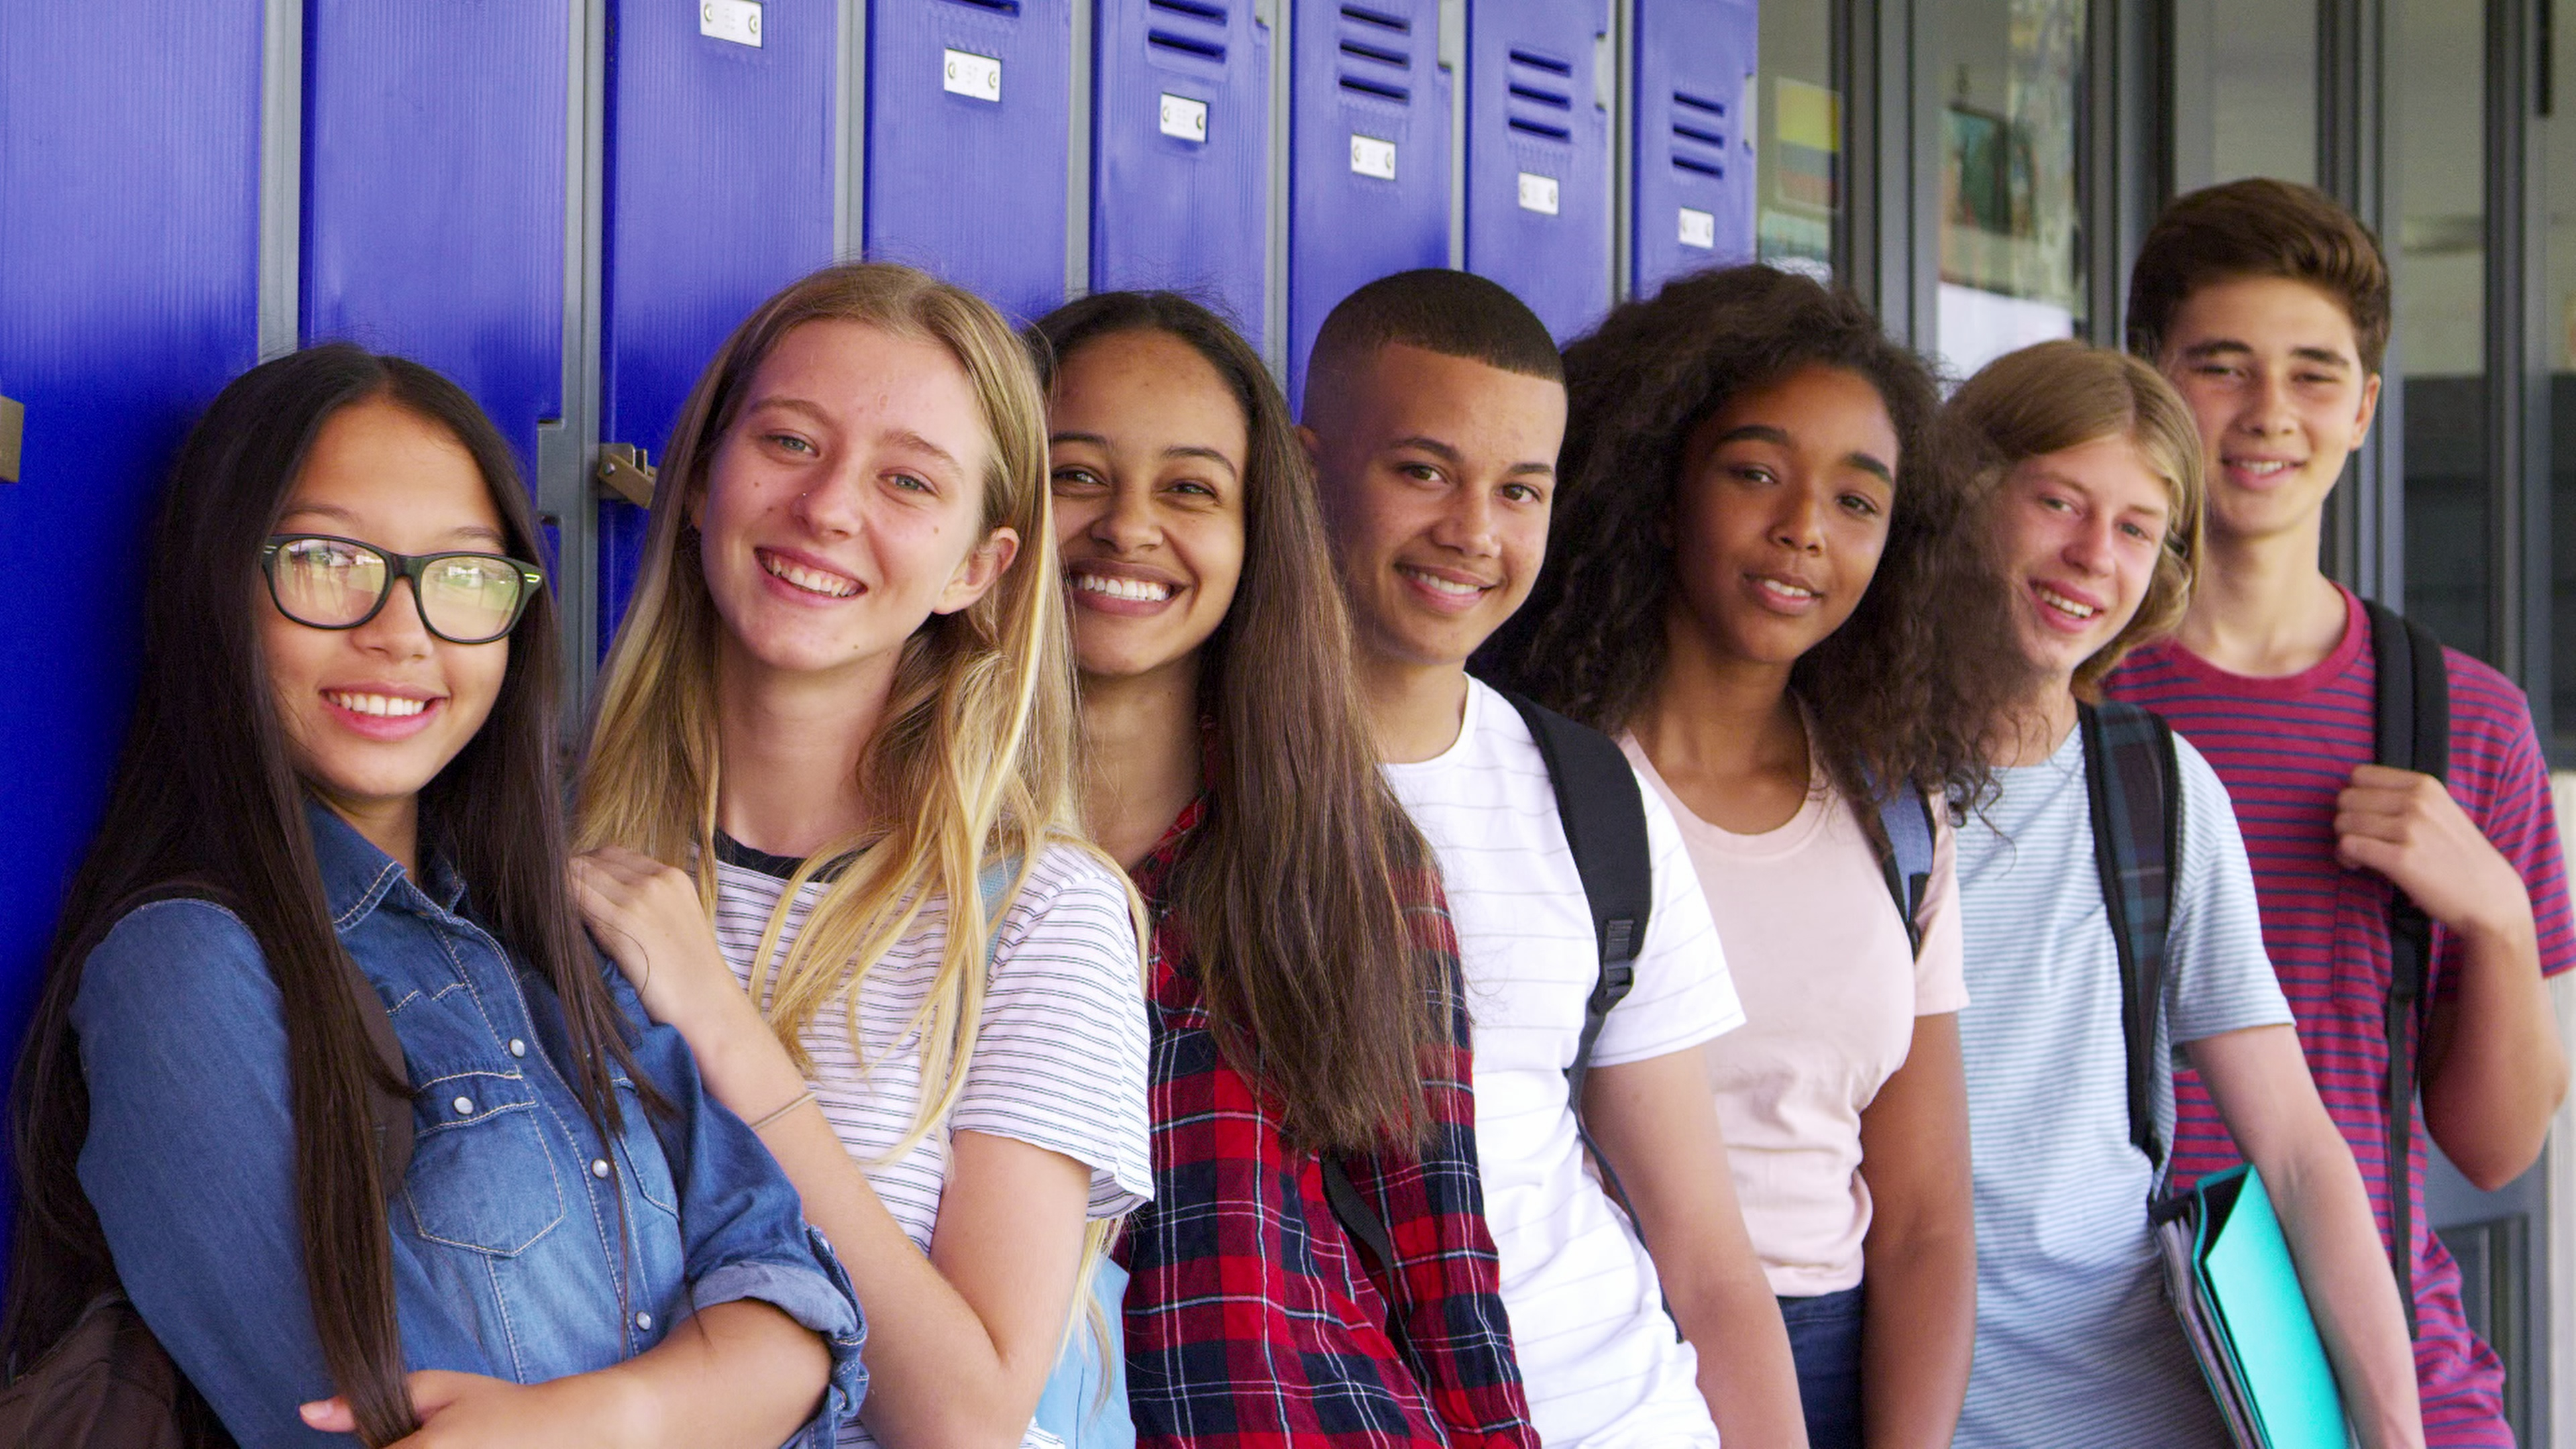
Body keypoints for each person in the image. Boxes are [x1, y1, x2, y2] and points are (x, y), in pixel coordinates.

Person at [2, 344, 863, 1448]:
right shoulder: (186, 969)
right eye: (326, 560)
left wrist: (601, 1419)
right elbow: (384, 1420)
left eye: (461, 573)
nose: (400, 630)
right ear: (220, 582)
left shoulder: (548, 934)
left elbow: (800, 1302)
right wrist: (713, 1388)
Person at [569, 263, 1153, 1449]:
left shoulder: (1043, 916)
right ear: (700, 481)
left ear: (975, 572)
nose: (830, 507)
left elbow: (965, 1419)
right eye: (790, 441)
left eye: (906, 481)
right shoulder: (549, 829)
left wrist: (715, 1017)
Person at [1488, 264, 2020, 1449]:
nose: (1802, 531)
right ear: (1660, 482)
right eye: (1757, 473)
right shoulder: (1531, 777)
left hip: (1833, 1367)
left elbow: (1927, 1217)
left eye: (1857, 502)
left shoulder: (1893, 812)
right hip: (1586, 1359)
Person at [1302, 267, 1808, 1448]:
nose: (1474, 533)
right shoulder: (1181, 783)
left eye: (1519, 490)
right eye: (1423, 471)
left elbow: (1706, 1253)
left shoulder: (1593, 797)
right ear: (1304, 462)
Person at [2108, 178, 2574, 1446]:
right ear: (2151, 383)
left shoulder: (2461, 719)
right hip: (2091, 1367)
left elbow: (2493, 1151)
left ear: (2365, 407)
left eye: (2315, 375)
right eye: (2222, 366)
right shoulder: (2062, 696)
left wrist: (2495, 919)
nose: (2269, 416)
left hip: (2372, 1375)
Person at [1030, 290, 1538, 1448]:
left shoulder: (1343, 849)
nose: (1130, 529)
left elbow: (1443, 1258)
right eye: (1076, 476)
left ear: (1262, 529)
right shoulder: (911, 842)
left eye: (1193, 489)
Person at [1945, 338, 2424, 1447]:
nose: (2089, 558)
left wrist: (2394, 1429)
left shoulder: (2154, 788)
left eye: (2134, 530)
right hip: (1897, 1401)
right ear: (1962, 499)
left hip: (2140, 1404)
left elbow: (2300, 1149)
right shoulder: (1838, 775)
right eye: (2057, 502)